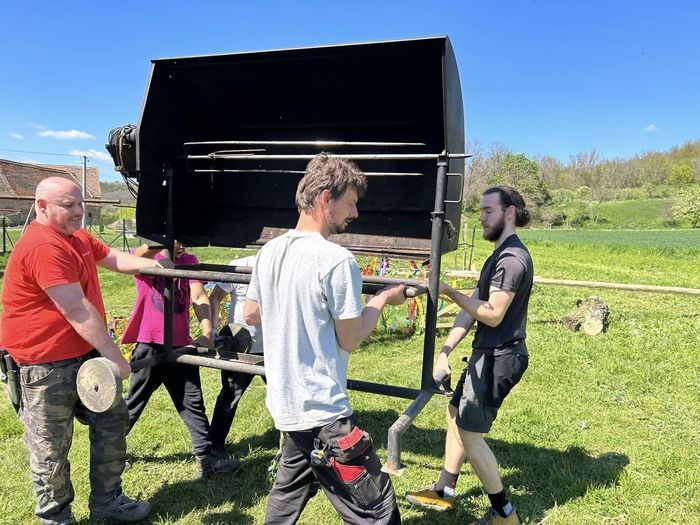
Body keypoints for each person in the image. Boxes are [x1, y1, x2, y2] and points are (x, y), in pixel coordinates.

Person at [244, 153, 407, 525]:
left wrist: (290, 306)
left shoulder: (269, 252)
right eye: (350, 202)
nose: (355, 212)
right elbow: (351, 338)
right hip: (324, 414)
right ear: (324, 199)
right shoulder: (336, 260)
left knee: (286, 497)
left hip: (288, 405)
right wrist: (381, 299)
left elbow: (251, 313)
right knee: (377, 509)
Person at [0, 177, 168, 524]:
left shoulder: (76, 237)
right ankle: (56, 517)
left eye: (81, 204)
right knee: (50, 448)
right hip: (42, 365)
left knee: (112, 421)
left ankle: (108, 501)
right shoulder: (43, 246)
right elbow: (76, 309)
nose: (79, 211)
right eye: (68, 206)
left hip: (85, 357)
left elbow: (113, 257)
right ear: (41, 206)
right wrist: (117, 358)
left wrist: (155, 265)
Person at [405, 186, 533, 525]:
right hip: (486, 354)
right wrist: (445, 350)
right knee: (454, 412)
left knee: (470, 435)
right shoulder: (497, 255)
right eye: (481, 211)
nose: (482, 217)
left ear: (509, 212)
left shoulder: (511, 259)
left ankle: (505, 515)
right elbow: (472, 308)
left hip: (498, 358)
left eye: (489, 211)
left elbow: (492, 313)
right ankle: (444, 490)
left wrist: (448, 291)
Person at [121, 241, 240, 478]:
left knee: (192, 402)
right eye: (176, 240)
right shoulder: (145, 259)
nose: (181, 245)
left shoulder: (189, 262)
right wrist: (160, 245)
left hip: (180, 345)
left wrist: (207, 331)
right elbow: (140, 253)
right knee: (135, 400)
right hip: (150, 343)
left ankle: (206, 460)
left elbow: (198, 294)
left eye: (185, 240)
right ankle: (111, 454)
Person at [208, 253, 264, 455]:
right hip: (242, 348)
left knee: (286, 395)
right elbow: (215, 296)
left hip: (275, 347)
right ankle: (215, 447)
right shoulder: (240, 265)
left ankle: (296, 446)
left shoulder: (287, 264)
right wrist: (214, 327)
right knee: (230, 395)